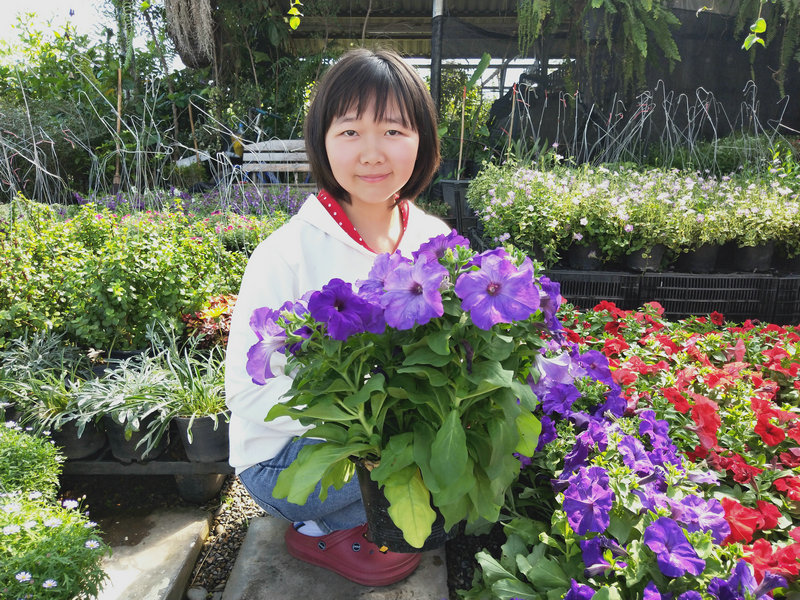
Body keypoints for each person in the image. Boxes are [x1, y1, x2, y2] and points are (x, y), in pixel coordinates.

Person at [224, 48, 451, 586]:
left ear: (421, 139)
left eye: (393, 130)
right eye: (350, 132)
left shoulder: (432, 239)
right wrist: (377, 425)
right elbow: (246, 393)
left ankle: (372, 511)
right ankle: (317, 527)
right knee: (427, 474)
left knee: (450, 463)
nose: (372, 153)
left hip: (388, 436)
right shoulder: (286, 254)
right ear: (323, 141)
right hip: (286, 456)